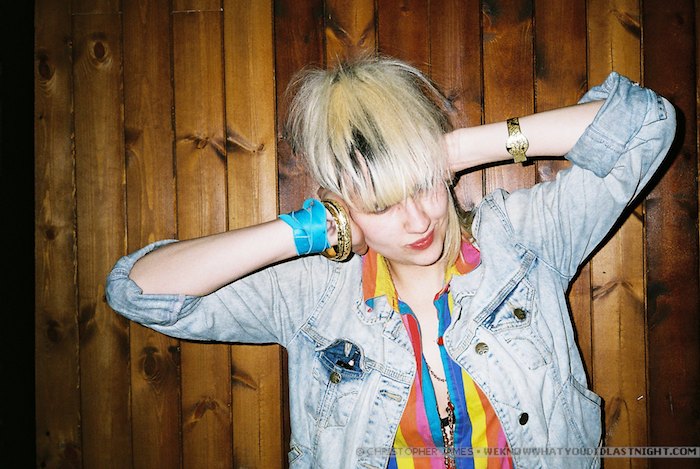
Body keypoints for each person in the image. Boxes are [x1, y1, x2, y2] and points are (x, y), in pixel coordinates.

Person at [106, 56, 676, 469]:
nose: (418, 220)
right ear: (343, 207)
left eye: (424, 185)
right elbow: (137, 291)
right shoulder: (314, 295)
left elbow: (649, 124)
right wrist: (305, 231)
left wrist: (452, 149)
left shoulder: (522, 242)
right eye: (381, 205)